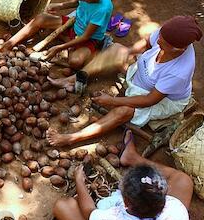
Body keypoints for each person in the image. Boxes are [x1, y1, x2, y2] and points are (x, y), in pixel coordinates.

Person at [47, 15, 203, 147]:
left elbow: (149, 100)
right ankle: (73, 79)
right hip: (141, 75)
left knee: (124, 111)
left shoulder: (179, 72)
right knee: (115, 49)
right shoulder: (167, 35)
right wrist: (127, 52)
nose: (159, 40)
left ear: (178, 50)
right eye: (160, 35)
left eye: (163, 41)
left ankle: (71, 138)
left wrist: (112, 101)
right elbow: (147, 42)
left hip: (162, 100)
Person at [53, 130, 193, 220]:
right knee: (183, 181)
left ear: (125, 201)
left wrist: (79, 181)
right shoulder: (177, 210)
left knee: (63, 206)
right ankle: (132, 157)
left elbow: (89, 211)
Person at [0, 0, 113, 70]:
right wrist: (59, 6)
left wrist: (59, 48)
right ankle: (8, 45)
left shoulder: (102, 9)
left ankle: (86, 52)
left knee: (76, 62)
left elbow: (85, 37)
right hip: (74, 24)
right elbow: (77, 2)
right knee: (40, 18)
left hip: (88, 38)